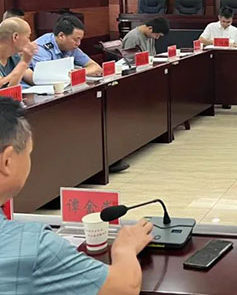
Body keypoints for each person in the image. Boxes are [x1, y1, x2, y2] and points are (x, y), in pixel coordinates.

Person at [0, 96, 153, 294]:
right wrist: (126, 249)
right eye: (29, 154)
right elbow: (124, 287)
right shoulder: (33, 246)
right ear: (7, 161)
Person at [30, 15, 103, 80]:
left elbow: (96, 67)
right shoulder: (40, 48)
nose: (78, 43)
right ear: (61, 36)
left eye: (80, 39)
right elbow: (45, 78)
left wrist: (80, 72)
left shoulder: (71, 47)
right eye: (76, 39)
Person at [0, 18, 37, 87]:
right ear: (15, 37)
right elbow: (4, 88)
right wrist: (24, 62)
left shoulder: (14, 56)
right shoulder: (22, 60)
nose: (29, 42)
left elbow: (33, 79)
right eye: (28, 37)